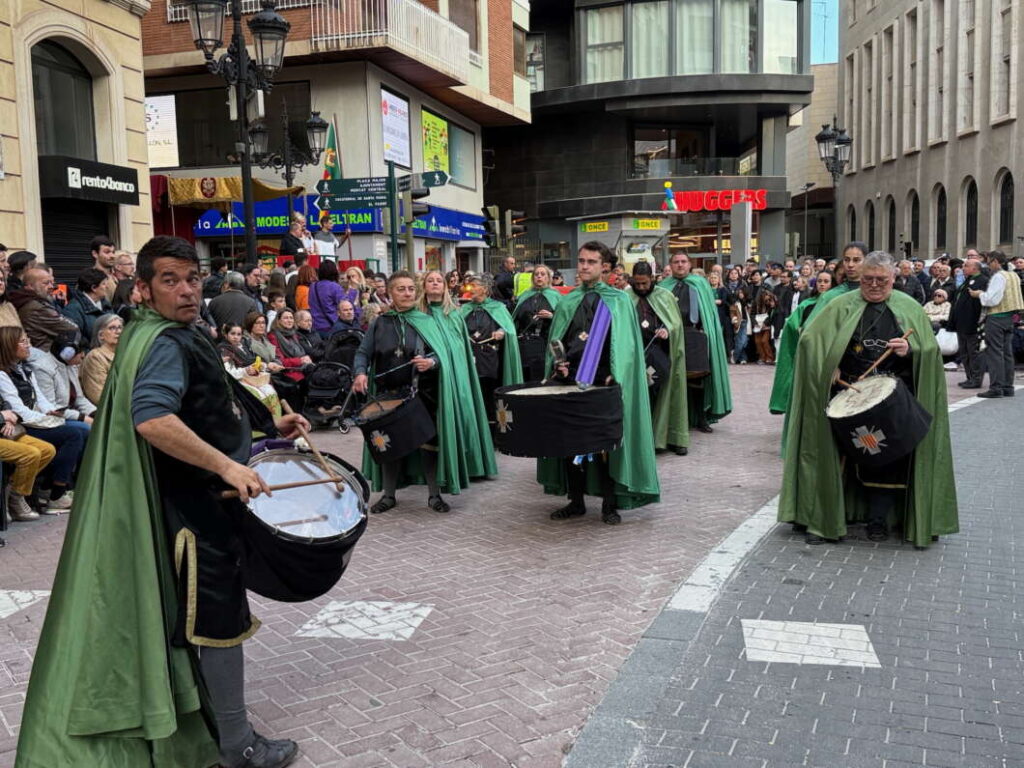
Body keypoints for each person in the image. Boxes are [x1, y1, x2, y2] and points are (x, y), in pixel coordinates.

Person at [17, 236, 311, 768]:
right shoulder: (165, 342)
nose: (186, 290)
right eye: (170, 281)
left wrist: (269, 424)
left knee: (207, 617)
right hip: (196, 506)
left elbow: (211, 394)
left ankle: (211, 720)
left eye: (193, 279)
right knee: (219, 620)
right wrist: (225, 464)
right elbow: (152, 418)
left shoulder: (162, 332)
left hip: (186, 499)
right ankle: (237, 744)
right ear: (145, 289)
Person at [779, 250, 958, 547]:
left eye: (882, 280)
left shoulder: (909, 308)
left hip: (891, 402)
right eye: (868, 280)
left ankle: (878, 519)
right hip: (845, 395)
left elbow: (930, 352)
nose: (874, 285)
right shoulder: (840, 305)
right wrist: (829, 365)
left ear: (894, 279)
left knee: (886, 459)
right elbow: (811, 342)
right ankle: (822, 518)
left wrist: (911, 351)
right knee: (832, 456)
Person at [538, 242, 659, 525]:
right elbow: (560, 341)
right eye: (581, 261)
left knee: (604, 447)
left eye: (591, 261)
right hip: (570, 381)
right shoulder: (567, 300)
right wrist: (560, 364)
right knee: (570, 444)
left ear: (605, 266)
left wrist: (609, 374)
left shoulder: (618, 301)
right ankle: (576, 501)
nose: (584, 266)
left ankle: (609, 504)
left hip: (603, 384)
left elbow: (625, 350)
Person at [352, 271, 467, 514]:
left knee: (428, 444)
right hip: (387, 394)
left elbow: (444, 352)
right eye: (401, 289)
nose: (407, 293)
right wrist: (360, 373)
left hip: (423, 393)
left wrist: (431, 362)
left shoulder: (428, 320)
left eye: (410, 289)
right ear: (390, 293)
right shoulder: (380, 323)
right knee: (388, 445)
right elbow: (363, 352)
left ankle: (434, 495)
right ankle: (389, 495)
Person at [417, 270, 497, 484]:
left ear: (445, 287)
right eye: (430, 280)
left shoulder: (453, 314)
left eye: (438, 281)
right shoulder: (417, 314)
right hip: (425, 378)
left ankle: (466, 466)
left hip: (453, 374)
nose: (435, 284)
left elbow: (459, 346)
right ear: (423, 286)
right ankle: (428, 471)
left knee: (459, 415)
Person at [769, 242, 866, 416]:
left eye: (857, 260)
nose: (851, 265)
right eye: (847, 260)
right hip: (836, 368)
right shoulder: (830, 297)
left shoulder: (873, 292)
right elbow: (814, 335)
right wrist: (831, 364)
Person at [0, 327, 89, 512]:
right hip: (22, 424)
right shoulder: (4, 374)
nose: (29, 346)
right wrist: (48, 420)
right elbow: (18, 409)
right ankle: (54, 493)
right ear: (9, 346)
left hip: (32, 419)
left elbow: (41, 400)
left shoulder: (25, 369)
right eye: (24, 342)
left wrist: (53, 413)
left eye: (28, 341)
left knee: (77, 432)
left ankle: (51, 489)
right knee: (73, 434)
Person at [659, 253, 732, 433]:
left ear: (690, 264)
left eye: (683, 262)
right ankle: (675, 420)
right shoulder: (662, 287)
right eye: (676, 262)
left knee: (697, 379)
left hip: (694, 335)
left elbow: (709, 315)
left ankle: (700, 418)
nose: (680, 265)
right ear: (671, 265)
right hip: (670, 337)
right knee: (673, 379)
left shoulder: (700, 284)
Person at [629, 261, 688, 455]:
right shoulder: (626, 297)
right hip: (635, 355)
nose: (641, 288)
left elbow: (675, 325)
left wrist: (667, 330)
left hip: (661, 353)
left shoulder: (665, 297)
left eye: (644, 283)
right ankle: (640, 439)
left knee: (665, 394)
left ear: (652, 279)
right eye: (637, 284)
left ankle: (671, 437)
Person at [458, 276, 523, 428]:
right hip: (470, 359)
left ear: (485, 290)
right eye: (469, 286)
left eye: (474, 286)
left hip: (491, 360)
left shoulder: (498, 308)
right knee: (474, 393)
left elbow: (509, 329)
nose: (470, 289)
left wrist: (501, 331)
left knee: (490, 393)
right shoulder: (465, 309)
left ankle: (495, 428)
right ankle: (476, 427)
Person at [974, 250, 1024, 398]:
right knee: (1007, 354)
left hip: (996, 317)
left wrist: (979, 294)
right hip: (1010, 317)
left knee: (995, 353)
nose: (988, 266)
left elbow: (992, 299)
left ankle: (996, 387)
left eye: (989, 262)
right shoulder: (1013, 275)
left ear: (996, 261)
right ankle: (1008, 386)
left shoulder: (998, 277)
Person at [28, 330, 95, 425]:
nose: (83, 355)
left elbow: (79, 399)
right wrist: (82, 417)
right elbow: (51, 408)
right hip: (53, 418)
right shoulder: (43, 368)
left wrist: (96, 414)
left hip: (68, 415)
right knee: (84, 429)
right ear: (67, 353)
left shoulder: (70, 365)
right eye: (81, 351)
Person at [0, 406, 55, 521]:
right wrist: (2, 417)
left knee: (47, 450)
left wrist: (9, 419)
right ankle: (15, 499)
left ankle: (11, 494)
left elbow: (6, 403)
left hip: (5, 430)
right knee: (30, 455)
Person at [218, 322, 282, 419]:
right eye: (232, 333)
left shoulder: (244, 346)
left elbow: (254, 361)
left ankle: (277, 423)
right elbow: (230, 373)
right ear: (226, 334)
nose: (236, 337)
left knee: (271, 392)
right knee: (259, 396)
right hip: (238, 382)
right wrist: (246, 371)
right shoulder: (223, 350)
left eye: (238, 334)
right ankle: (263, 426)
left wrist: (265, 366)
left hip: (253, 379)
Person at [8, 267, 80, 351]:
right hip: (46, 354)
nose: (51, 286)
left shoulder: (35, 301)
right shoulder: (36, 307)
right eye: (46, 283)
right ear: (30, 286)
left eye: (51, 282)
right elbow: (71, 328)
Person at [512, 264, 561, 382]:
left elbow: (564, 321)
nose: (539, 277)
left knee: (540, 378)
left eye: (542, 274)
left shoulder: (556, 296)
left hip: (543, 344)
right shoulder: (524, 296)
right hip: (523, 344)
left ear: (548, 278)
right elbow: (515, 319)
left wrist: (552, 316)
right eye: (536, 274)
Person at [948, 256, 989, 389]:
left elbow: (982, 303)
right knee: (964, 353)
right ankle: (969, 377)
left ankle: (976, 379)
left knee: (973, 352)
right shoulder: (967, 281)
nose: (963, 268)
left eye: (966, 265)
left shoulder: (982, 281)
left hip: (972, 323)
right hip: (961, 323)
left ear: (974, 268)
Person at [79, 313, 123, 405]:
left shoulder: (125, 354)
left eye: (120, 327)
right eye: (112, 328)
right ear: (101, 335)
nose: (118, 331)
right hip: (109, 411)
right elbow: (100, 396)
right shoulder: (95, 357)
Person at [62, 268, 111, 344]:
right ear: (94, 288)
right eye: (104, 284)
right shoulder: (73, 309)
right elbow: (77, 339)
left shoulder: (106, 305)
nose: (107, 287)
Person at [268, 309, 313, 387]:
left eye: (291, 318)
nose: (289, 320)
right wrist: (300, 360)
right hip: (287, 371)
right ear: (278, 321)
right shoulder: (273, 336)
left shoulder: (293, 333)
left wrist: (305, 358)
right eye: (286, 318)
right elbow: (280, 361)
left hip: (301, 368)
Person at [307, 260, 347, 334]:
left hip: (315, 325)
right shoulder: (335, 287)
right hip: (331, 325)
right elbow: (345, 305)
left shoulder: (313, 286)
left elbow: (310, 303)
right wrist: (353, 291)